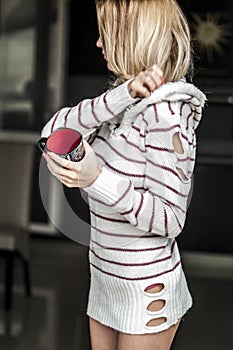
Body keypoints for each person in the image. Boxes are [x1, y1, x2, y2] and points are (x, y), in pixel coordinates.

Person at [41, 0, 206, 349]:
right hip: (105, 279)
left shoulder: (165, 116)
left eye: (105, 32)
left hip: (145, 289)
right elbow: (51, 132)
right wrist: (122, 94)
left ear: (131, 35)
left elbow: (171, 218)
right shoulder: (123, 106)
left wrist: (96, 179)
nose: (98, 43)